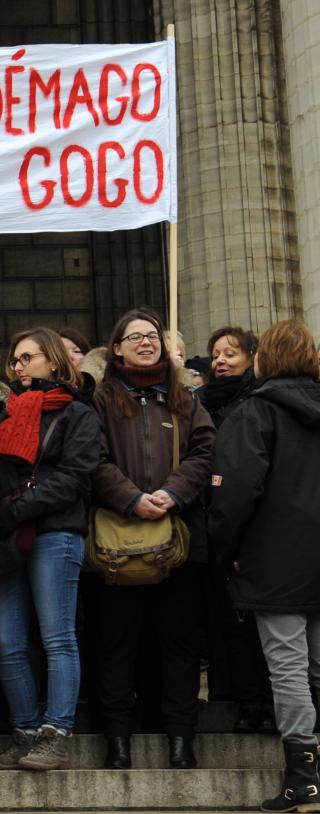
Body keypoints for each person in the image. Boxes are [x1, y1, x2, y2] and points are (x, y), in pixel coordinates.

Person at [90, 310, 215, 770]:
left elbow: (205, 450)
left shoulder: (185, 397)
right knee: (117, 645)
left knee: (179, 645)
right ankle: (117, 740)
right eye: (135, 337)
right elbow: (93, 459)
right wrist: (131, 498)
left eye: (153, 336)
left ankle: (181, 739)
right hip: (116, 545)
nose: (146, 343)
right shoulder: (101, 399)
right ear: (116, 347)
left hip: (177, 542)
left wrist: (172, 492)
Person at [0, 327, 100, 772]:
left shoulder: (78, 414)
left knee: (56, 636)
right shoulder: (9, 415)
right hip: (10, 538)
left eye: (27, 357)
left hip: (54, 533)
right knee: (7, 640)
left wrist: (19, 508)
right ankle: (25, 733)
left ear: (52, 360)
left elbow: (75, 478)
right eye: (15, 360)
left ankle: (56, 732)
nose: (18, 366)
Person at [209, 319, 320, 812]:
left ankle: (303, 781)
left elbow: (234, 492)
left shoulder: (254, 412)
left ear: (263, 359)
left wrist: (223, 544)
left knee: (289, 670)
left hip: (273, 561)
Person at [196, 325, 273, 734]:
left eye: (231, 353)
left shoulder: (259, 403)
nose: (221, 360)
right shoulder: (200, 405)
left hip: (250, 529)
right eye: (216, 354)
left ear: (251, 358)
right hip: (214, 525)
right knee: (227, 624)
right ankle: (242, 700)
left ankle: (268, 703)